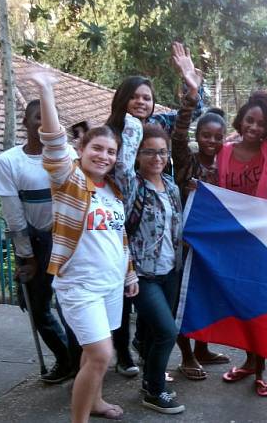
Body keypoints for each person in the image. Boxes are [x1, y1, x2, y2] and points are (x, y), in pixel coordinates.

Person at [28, 71, 138, 423]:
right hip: (80, 287)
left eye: (111, 151)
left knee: (93, 358)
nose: (104, 156)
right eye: (97, 149)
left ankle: (97, 401)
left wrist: (129, 274)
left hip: (110, 286)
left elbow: (119, 238)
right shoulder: (70, 180)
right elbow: (53, 143)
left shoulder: (112, 191)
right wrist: (46, 92)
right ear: (82, 149)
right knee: (102, 354)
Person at [219, 46, 267, 397]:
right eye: (249, 120)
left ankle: (262, 369)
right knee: (240, 305)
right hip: (233, 242)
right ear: (240, 120)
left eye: (261, 123)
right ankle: (249, 361)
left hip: (265, 242)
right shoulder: (222, 153)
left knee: (260, 306)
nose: (254, 126)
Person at [109, 95, 187, 413]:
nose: (156, 157)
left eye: (162, 152)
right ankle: (155, 390)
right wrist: (133, 123)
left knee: (158, 331)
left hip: (170, 271)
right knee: (168, 331)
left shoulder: (171, 186)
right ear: (138, 154)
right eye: (149, 152)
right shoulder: (131, 185)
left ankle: (149, 379)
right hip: (142, 274)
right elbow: (123, 162)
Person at [0, 99, 76, 384]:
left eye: (49, 118)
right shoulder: (9, 161)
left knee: (72, 306)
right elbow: (13, 215)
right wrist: (27, 256)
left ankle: (81, 362)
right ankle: (66, 360)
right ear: (25, 122)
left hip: (68, 241)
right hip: (35, 243)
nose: (44, 123)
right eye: (38, 118)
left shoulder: (69, 154)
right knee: (38, 307)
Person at [168, 41, 231, 379]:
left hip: (213, 244)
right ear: (199, 135)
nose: (211, 141)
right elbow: (178, 133)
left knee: (205, 296)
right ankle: (186, 355)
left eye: (217, 137)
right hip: (184, 241)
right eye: (206, 135)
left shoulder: (226, 168)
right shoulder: (186, 160)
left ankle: (204, 348)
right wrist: (191, 92)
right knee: (183, 296)